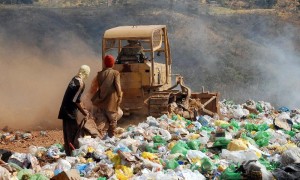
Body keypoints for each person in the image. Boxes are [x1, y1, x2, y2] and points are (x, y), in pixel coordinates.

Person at [58, 65, 90, 156]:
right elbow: (75, 100)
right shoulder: (80, 83)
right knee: (73, 135)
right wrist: (84, 112)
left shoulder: (74, 79)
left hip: (64, 110)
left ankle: (69, 154)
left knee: (67, 135)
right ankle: (74, 155)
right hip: (70, 113)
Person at [90, 55, 123, 139]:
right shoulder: (115, 73)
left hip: (101, 101)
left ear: (104, 63)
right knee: (113, 121)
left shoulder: (99, 74)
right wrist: (119, 96)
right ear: (112, 64)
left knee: (101, 122)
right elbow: (118, 86)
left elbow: (95, 87)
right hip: (111, 102)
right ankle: (111, 138)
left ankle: (99, 138)